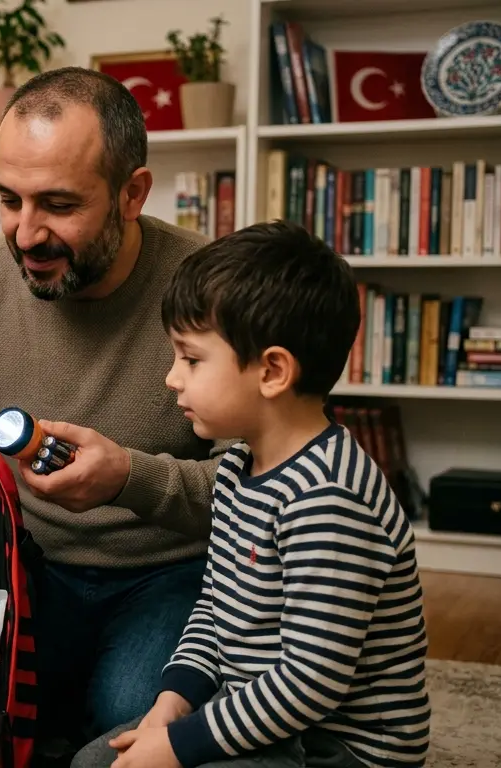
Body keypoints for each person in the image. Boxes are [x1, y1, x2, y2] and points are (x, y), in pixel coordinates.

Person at [0, 66, 232, 751]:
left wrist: (128, 477)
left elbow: (266, 491)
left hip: (171, 571)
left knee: (131, 726)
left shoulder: (210, 286)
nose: (26, 235)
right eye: (9, 200)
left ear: (132, 194)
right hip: (19, 562)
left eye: (58, 205)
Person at [72, 220, 430, 768]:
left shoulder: (328, 499)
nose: (173, 378)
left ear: (272, 371)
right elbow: (215, 606)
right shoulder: (238, 466)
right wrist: (170, 706)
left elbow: (311, 682)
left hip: (336, 747)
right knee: (96, 761)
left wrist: (180, 745)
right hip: (259, 712)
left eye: (191, 359)